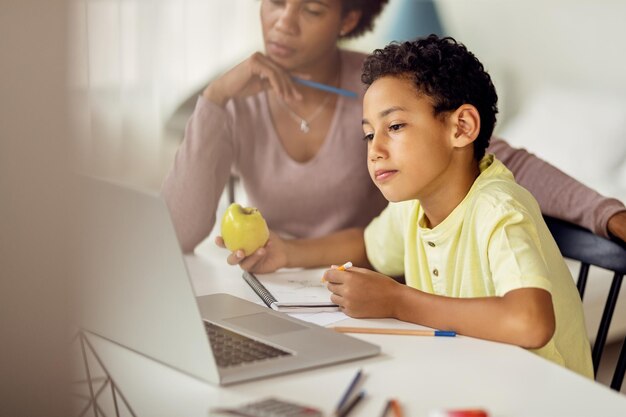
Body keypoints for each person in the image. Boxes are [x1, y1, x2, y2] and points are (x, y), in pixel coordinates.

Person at [227, 35, 594, 378]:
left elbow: (530, 321)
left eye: (396, 126)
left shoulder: (497, 209)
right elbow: (367, 245)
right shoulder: (414, 206)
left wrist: (397, 300)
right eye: (369, 134)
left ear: (461, 127)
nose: (375, 150)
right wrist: (286, 252)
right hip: (472, 381)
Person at [162, 0, 626, 254]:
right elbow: (180, 234)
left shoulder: (381, 92)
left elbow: (496, 157)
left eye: (312, 9)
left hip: (373, 288)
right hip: (275, 291)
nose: (284, 23)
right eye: (276, 1)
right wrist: (214, 99)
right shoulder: (236, 99)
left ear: (347, 18)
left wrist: (604, 212)